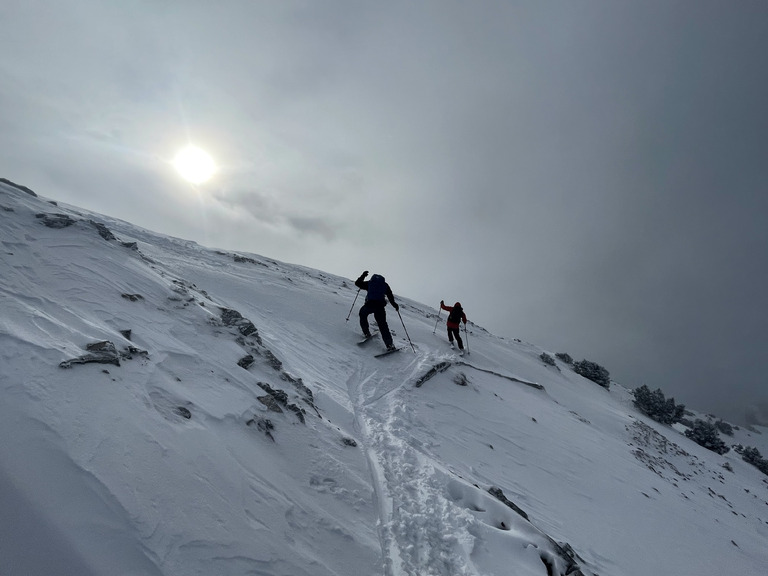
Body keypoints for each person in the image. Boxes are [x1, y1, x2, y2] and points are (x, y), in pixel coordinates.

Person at [355, 270, 399, 350]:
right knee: (383, 325)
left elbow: (358, 284)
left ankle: (366, 333)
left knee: (362, 314)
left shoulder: (370, 283)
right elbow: (390, 296)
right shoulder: (384, 285)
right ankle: (389, 345)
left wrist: (363, 276)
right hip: (380, 307)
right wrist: (395, 305)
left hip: (369, 305)